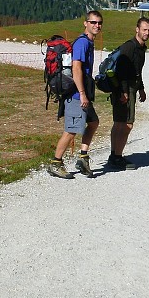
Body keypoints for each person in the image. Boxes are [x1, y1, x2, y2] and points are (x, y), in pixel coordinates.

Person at [47, 11, 103, 179]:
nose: (97, 25)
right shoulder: (82, 43)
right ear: (85, 23)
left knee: (93, 122)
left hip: (82, 93)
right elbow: (76, 68)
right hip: (76, 95)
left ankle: (83, 158)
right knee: (71, 130)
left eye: (99, 23)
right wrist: (82, 94)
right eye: (93, 22)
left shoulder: (88, 42)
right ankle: (55, 163)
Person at [107, 17, 149, 170]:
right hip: (124, 90)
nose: (147, 32)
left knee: (120, 123)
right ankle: (117, 157)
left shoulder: (141, 48)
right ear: (137, 29)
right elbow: (121, 72)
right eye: (144, 29)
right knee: (127, 124)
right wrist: (124, 92)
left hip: (130, 88)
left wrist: (141, 88)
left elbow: (137, 71)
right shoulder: (130, 47)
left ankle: (114, 155)